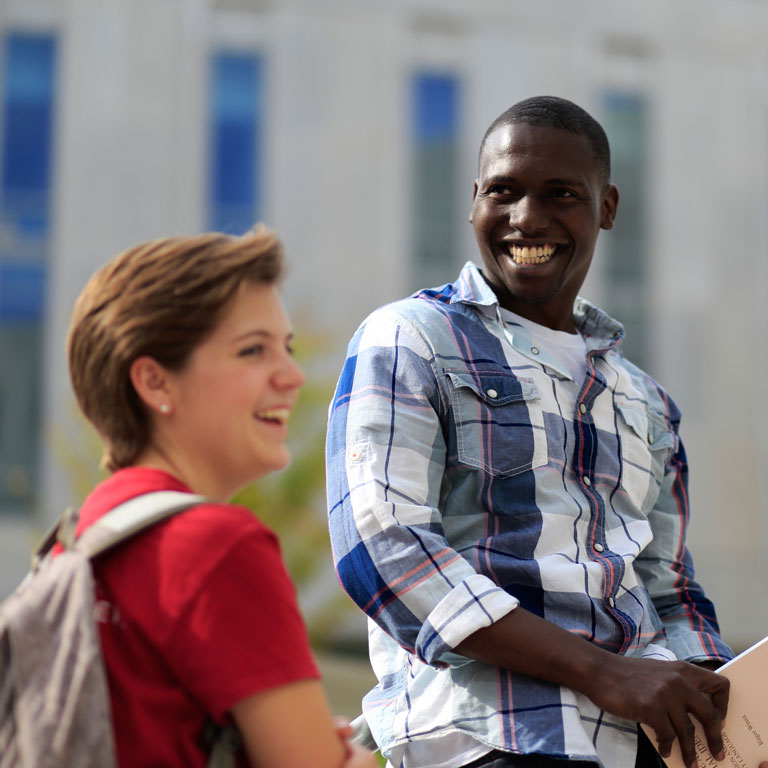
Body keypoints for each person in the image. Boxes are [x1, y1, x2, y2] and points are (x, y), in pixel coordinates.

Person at [325, 96, 735, 768]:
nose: (526, 218)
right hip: (489, 744)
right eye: (504, 191)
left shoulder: (647, 400)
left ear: (607, 207)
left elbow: (670, 591)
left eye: (560, 194)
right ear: (474, 200)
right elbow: (385, 550)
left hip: (648, 753)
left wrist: (732, 715)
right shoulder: (410, 338)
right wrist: (606, 673)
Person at [65, 226, 377, 768]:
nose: (292, 376)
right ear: (155, 382)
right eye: (252, 350)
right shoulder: (215, 546)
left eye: (288, 348)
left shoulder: (80, 540)